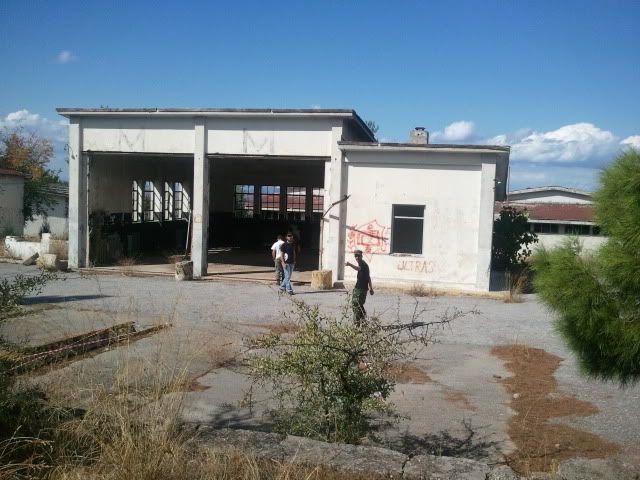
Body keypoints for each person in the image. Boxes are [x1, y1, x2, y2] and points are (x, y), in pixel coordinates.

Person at [345, 249, 374, 325]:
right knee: (359, 305)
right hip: (363, 289)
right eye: (356, 256)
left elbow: (358, 268)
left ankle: (357, 325)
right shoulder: (364, 264)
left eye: (358, 256)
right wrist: (371, 288)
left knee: (356, 305)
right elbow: (368, 277)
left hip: (360, 290)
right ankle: (363, 322)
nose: (357, 257)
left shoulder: (362, 264)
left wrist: (349, 264)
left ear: (361, 256)